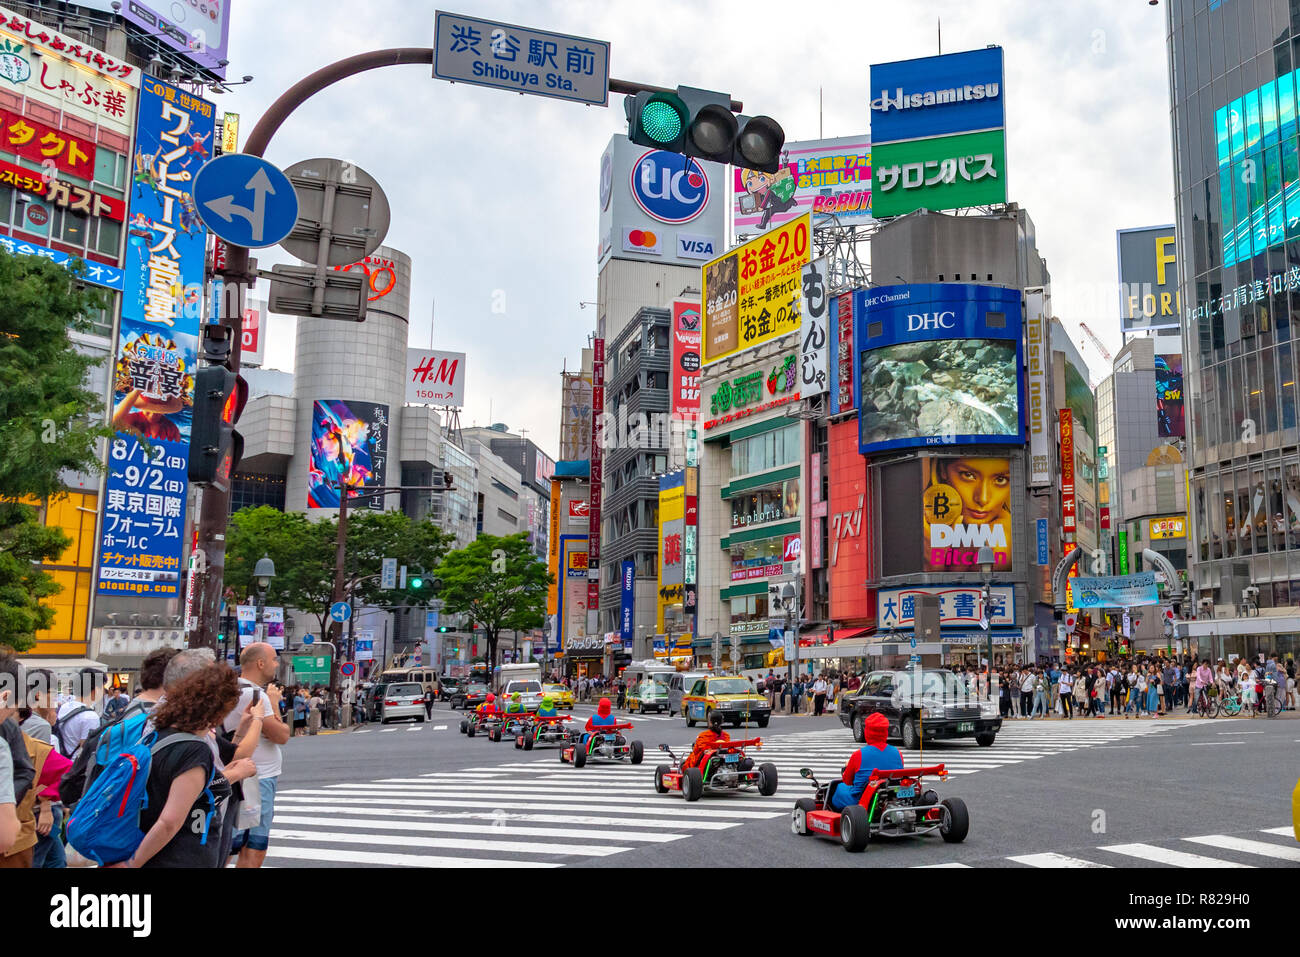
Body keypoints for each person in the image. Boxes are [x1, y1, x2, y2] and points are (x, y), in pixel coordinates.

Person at [111, 665, 256, 869]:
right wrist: (132, 864)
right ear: (218, 709)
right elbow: (170, 821)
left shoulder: (157, 736)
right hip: (181, 854)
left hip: (150, 844)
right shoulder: (194, 751)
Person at [222, 643, 288, 870]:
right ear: (260, 663)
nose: (276, 664)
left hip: (233, 773)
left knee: (226, 846)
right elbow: (281, 735)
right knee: (253, 849)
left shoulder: (230, 690)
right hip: (257, 779)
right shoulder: (255, 694)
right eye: (273, 659)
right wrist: (274, 703)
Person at [829, 712, 903, 811]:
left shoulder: (859, 755)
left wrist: (848, 767)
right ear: (885, 732)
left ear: (868, 732)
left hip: (861, 800)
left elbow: (847, 781)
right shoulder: (897, 753)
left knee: (839, 788)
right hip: (891, 795)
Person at [54, 668, 104, 761]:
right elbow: (86, 750)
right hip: (77, 767)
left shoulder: (65, 706)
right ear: (96, 690)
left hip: (63, 760)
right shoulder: (91, 717)